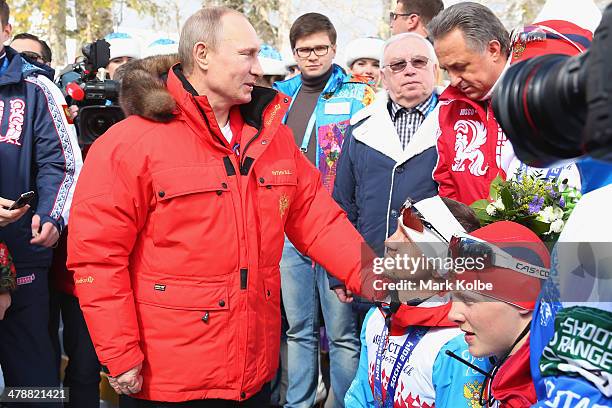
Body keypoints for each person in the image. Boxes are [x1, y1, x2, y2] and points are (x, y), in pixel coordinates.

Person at [67, 7, 375, 406]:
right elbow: (96, 258)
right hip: (168, 382)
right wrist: (120, 353)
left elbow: (322, 223)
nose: (258, 67)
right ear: (203, 54)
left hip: (252, 377)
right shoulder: (130, 143)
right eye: (247, 54)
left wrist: (396, 278)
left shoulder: (271, 139)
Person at [273, 12, 375, 408]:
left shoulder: (358, 94)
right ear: (294, 53)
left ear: (333, 49)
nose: (312, 57)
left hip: (333, 225)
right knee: (298, 328)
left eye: (320, 49)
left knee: (341, 332)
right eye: (304, 50)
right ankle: (297, 402)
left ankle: (342, 403)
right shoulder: (279, 95)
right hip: (288, 227)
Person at [0, 0, 82, 402]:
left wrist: (53, 215)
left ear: (4, 31)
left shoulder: (37, 87)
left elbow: (63, 163)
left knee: (33, 380)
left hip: (21, 255)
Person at [345, 196, 491, 407]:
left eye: (407, 236)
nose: (388, 242)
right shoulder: (377, 316)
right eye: (396, 230)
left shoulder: (460, 344)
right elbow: (359, 397)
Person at [331, 32, 440, 311]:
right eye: (398, 65)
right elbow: (343, 204)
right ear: (383, 76)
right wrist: (340, 269)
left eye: (419, 61)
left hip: (434, 276)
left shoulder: (457, 125)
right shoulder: (360, 128)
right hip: (372, 274)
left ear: (435, 70)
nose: (409, 70)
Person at [448, 221, 550, 407]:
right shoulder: (515, 371)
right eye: (452, 297)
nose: (453, 314)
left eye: (469, 299)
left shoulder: (542, 396)